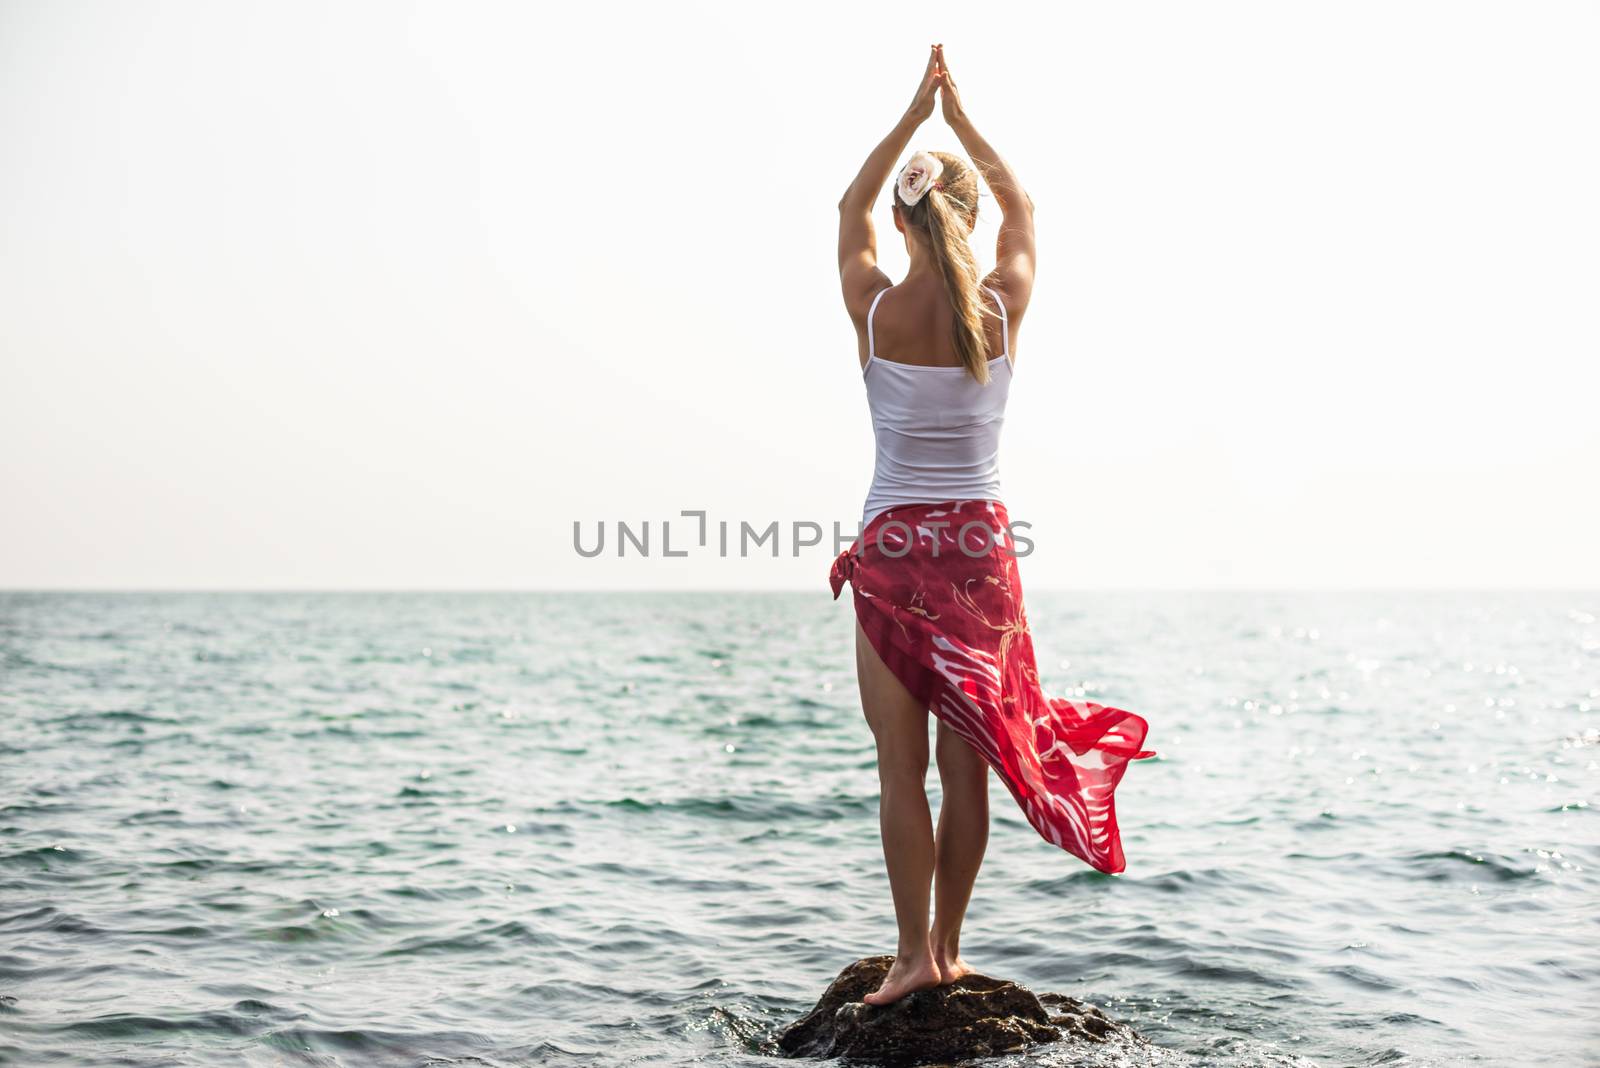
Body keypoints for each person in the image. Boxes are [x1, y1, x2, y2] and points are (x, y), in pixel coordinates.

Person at [831, 44, 1156, 1008]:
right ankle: (951, 947)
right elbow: (1025, 209)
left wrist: (910, 115)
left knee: (901, 772)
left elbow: (846, 211)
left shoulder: (878, 308)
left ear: (905, 218)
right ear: (965, 216)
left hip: (894, 552)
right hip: (977, 559)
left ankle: (908, 960)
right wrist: (958, 118)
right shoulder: (1002, 310)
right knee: (961, 765)